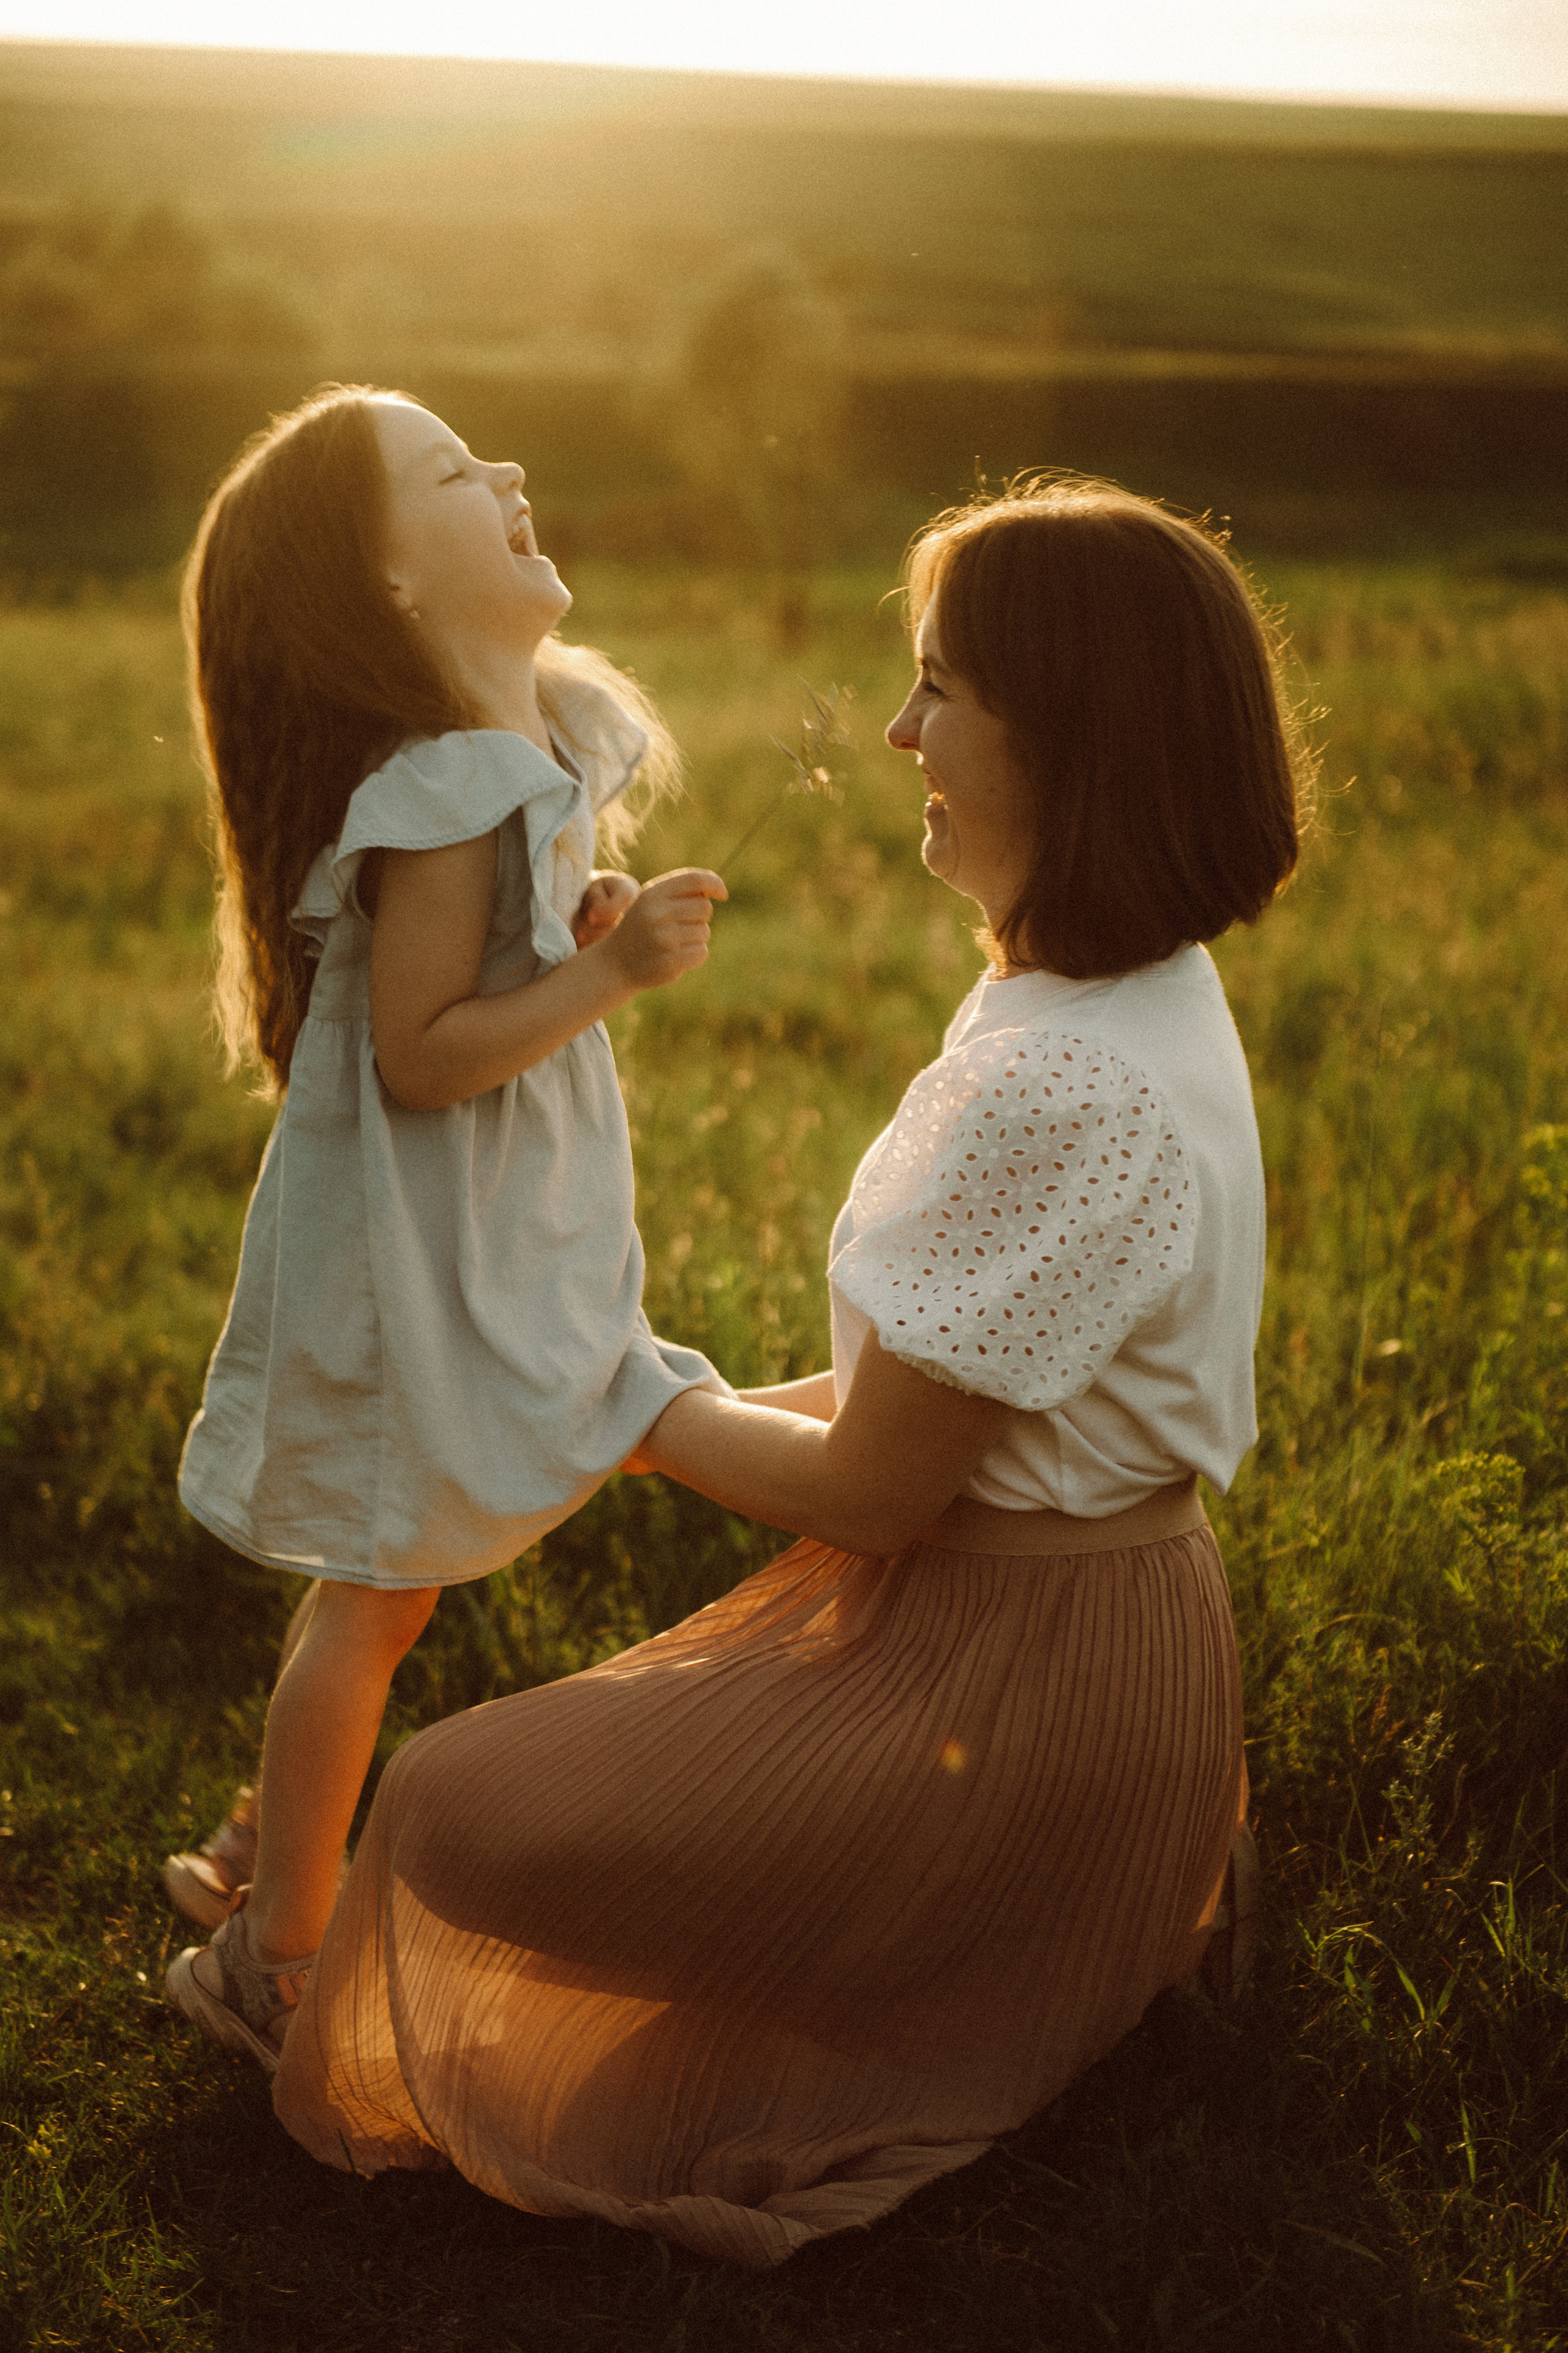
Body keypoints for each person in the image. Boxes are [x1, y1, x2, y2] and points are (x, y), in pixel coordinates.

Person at [268, 476, 1303, 2267]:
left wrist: (624, 1403)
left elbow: (882, 1490)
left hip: (1017, 1692)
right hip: (1092, 1639)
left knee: (440, 1809)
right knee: (550, 1850)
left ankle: (982, 1947)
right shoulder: (1108, 995)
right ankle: (987, 1943)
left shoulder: (1061, 1077)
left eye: (943, 691)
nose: (902, 730)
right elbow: (949, 1396)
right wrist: (661, 1405)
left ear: (1075, 739)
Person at [161, 383, 729, 2071]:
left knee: (398, 1573)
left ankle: (274, 1842)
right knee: (383, 1589)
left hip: (481, 1225)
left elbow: (481, 985)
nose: (509, 473)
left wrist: (576, 932)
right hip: (422, 1248)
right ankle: (275, 1958)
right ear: (389, 587)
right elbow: (418, 1061)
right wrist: (605, 975)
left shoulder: (517, 754)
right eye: (452, 473)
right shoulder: (448, 789)